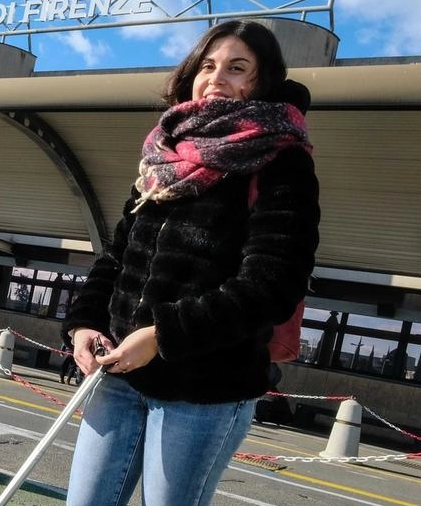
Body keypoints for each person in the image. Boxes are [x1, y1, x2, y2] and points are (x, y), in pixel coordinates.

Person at [61, 20, 320, 505]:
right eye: (208, 65)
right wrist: (83, 323)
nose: (217, 76)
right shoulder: (165, 153)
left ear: (262, 83)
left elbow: (273, 283)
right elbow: (117, 256)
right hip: (117, 372)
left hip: (204, 390)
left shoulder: (280, 159)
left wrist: (162, 334)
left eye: (237, 67)